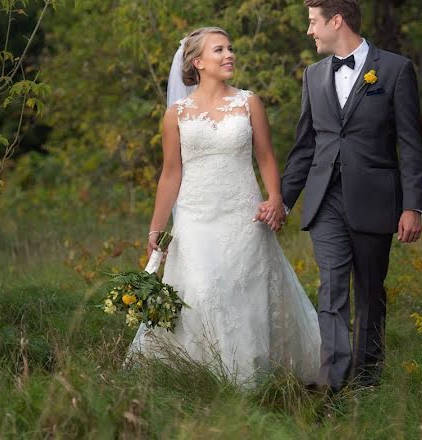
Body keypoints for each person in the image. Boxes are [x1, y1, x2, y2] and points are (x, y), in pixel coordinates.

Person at [127, 26, 320, 387]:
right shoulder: (176, 114)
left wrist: (275, 197)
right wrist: (156, 229)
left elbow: (265, 156)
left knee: (244, 291)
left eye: (230, 48)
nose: (229, 55)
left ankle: (251, 378)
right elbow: (170, 174)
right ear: (198, 62)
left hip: (242, 214)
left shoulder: (249, 102)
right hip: (195, 216)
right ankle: (200, 375)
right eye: (219, 50)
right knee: (202, 289)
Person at [277, 0, 422, 391]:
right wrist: (282, 201)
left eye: (313, 22)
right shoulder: (313, 76)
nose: (310, 32)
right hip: (325, 198)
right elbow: (304, 146)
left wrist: (413, 206)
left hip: (376, 199)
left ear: (336, 20)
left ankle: (366, 381)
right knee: (332, 287)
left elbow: (411, 144)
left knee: (370, 292)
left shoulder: (395, 70)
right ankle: (332, 384)